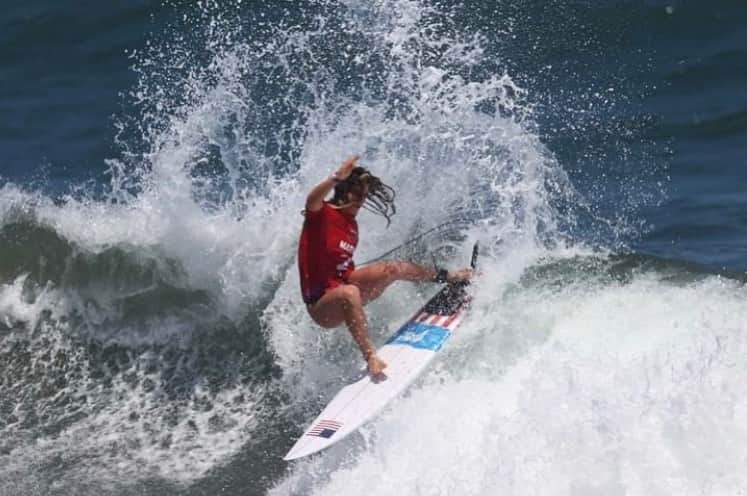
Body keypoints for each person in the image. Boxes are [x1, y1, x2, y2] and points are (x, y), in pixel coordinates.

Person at [298, 155, 472, 377]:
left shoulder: (351, 226)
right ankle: (371, 356)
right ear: (344, 191)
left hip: (344, 287)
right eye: (358, 192)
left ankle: (448, 277)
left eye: (365, 193)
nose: (362, 198)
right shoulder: (322, 215)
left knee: (393, 268)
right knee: (350, 293)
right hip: (322, 307)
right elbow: (311, 200)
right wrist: (335, 178)